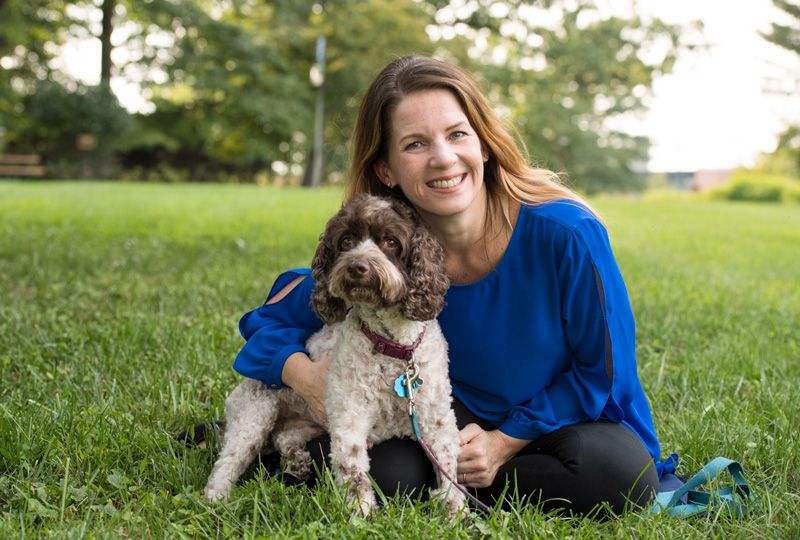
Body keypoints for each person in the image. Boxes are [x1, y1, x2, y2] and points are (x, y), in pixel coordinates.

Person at [224, 56, 673, 516]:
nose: (443, 157)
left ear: (482, 144)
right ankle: (451, 481)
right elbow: (269, 322)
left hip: (559, 427)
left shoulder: (567, 234)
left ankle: (462, 484)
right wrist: (303, 375)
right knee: (383, 470)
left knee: (620, 473)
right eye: (415, 144)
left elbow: (603, 373)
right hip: (444, 430)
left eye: (457, 134)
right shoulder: (392, 248)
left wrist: (503, 443)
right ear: (386, 170)